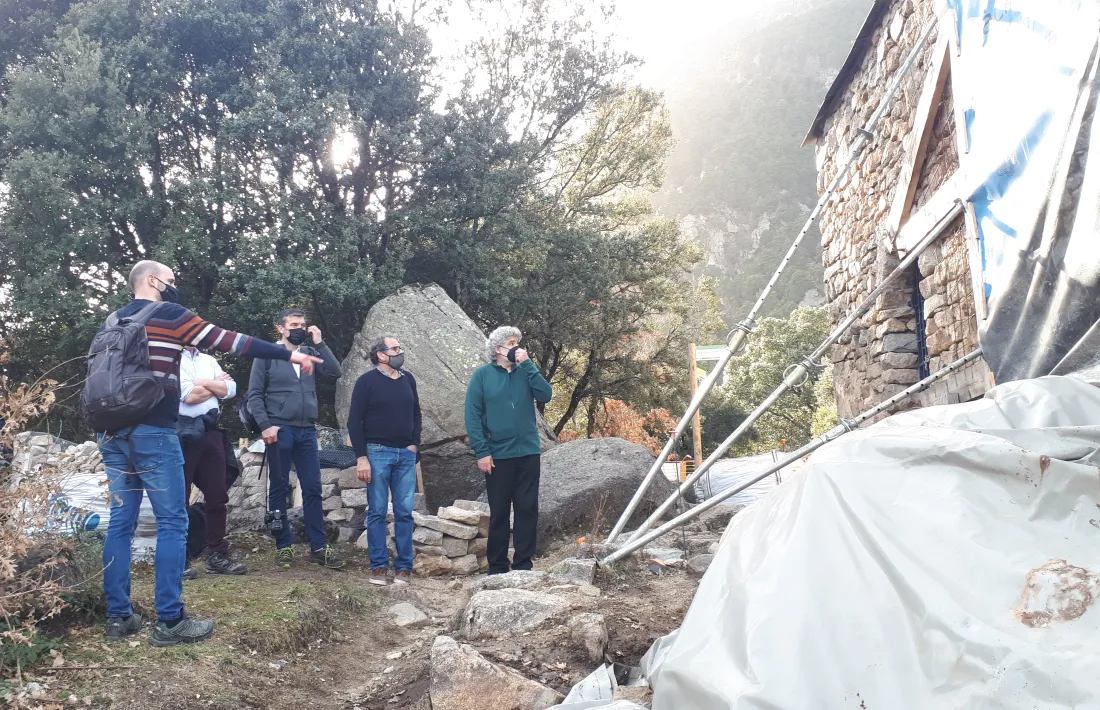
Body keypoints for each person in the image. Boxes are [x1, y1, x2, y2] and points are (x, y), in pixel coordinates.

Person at [97, 260, 322, 647]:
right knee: (172, 522)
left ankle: (119, 617)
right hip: (154, 430)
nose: (175, 285)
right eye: (171, 279)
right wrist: (291, 355)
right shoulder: (168, 314)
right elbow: (231, 341)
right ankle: (170, 621)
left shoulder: (112, 322)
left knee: (121, 522)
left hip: (111, 432)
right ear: (152, 281)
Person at [246, 308, 345, 569]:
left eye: (302, 324)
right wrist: (266, 426)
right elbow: (254, 395)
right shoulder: (266, 355)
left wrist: (319, 342)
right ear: (280, 328)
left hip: (307, 430)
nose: (299, 328)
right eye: (293, 324)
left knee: (312, 487)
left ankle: (319, 547)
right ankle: (284, 546)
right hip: (280, 430)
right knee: (278, 487)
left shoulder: (311, 353)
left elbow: (334, 373)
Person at [463, 326, 552, 575]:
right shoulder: (482, 376)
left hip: (528, 452)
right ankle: (498, 566)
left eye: (518, 343)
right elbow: (472, 416)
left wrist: (529, 364)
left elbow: (546, 395)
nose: (517, 347)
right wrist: (482, 451)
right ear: (498, 348)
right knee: (500, 511)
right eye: (511, 343)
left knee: (527, 509)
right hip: (498, 455)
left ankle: (524, 564)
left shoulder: (526, 372)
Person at [347, 336, 421, 587]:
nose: (401, 351)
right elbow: (353, 421)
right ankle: (378, 567)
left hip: (406, 454)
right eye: (396, 348)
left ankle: (404, 568)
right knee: (377, 511)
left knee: (404, 512)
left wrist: (414, 444)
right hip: (377, 452)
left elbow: (416, 413)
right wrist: (361, 458)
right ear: (380, 354)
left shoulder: (408, 379)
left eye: (401, 347)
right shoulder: (366, 382)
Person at [178, 346, 247, 577]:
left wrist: (203, 382)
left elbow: (231, 389)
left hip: (210, 430)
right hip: (182, 431)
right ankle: (179, 558)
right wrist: (215, 384)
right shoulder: (169, 359)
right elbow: (189, 395)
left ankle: (217, 555)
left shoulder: (208, 359)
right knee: (180, 496)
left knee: (217, 496)